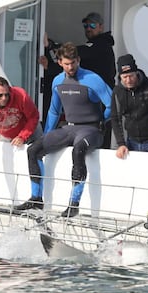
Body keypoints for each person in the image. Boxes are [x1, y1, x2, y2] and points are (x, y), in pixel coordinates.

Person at [16, 42, 112, 218]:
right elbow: (54, 111)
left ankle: (73, 204)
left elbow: (112, 104)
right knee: (33, 150)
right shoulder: (57, 81)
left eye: (73, 63)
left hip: (91, 130)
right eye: (67, 63)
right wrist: (46, 135)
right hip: (69, 128)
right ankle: (36, 199)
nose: (71, 67)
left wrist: (101, 122)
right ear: (60, 62)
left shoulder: (92, 79)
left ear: (78, 60)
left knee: (78, 150)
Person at [77, 12, 116, 149]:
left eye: (92, 25)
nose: (88, 28)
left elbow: (80, 52)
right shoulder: (94, 45)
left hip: (102, 99)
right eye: (86, 25)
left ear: (101, 27)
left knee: (101, 134)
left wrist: (52, 47)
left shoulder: (101, 45)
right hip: (92, 98)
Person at [38, 33, 62, 127]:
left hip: (51, 90)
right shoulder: (28, 46)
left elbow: (61, 67)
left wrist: (48, 46)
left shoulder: (54, 47)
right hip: (35, 90)